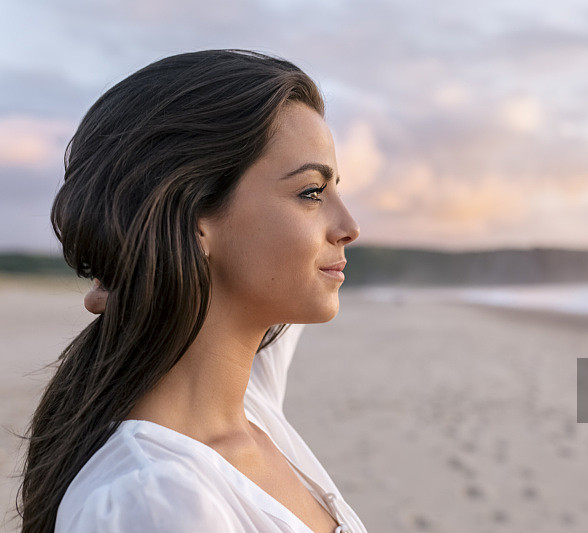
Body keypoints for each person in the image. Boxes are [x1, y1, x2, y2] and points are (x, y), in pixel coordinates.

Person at [17, 49, 366, 533]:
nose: (349, 226)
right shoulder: (154, 502)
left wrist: (129, 269)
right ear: (195, 215)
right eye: (311, 193)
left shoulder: (247, 405)